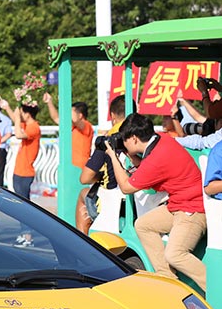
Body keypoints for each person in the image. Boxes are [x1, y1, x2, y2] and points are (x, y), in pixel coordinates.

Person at [105, 113, 206, 291]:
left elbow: (126, 187)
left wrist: (113, 156)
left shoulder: (157, 158)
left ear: (134, 138)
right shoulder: (161, 139)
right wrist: (129, 155)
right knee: (143, 225)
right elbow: (144, 167)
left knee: (175, 254)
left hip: (194, 209)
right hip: (178, 204)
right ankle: (167, 277)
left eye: (124, 139)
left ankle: (215, 289)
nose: (123, 143)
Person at [76, 95, 127, 234]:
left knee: (83, 194)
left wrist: (99, 176)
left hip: (113, 200)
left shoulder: (107, 141)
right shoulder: (144, 137)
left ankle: (83, 243)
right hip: (140, 201)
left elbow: (84, 179)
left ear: (112, 116)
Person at [0, 98, 41, 201]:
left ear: (27, 114)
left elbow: (18, 134)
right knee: (19, 200)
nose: (20, 115)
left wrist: (17, 119)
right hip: (19, 170)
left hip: (25, 172)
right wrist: (7, 107)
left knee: (24, 203)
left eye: (21, 113)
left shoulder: (34, 127)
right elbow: (15, 120)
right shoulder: (27, 125)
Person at [43, 93, 93, 171]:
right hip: (70, 167)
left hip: (81, 168)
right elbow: (56, 118)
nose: (68, 114)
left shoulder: (87, 126)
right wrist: (49, 102)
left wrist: (64, 103)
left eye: (71, 112)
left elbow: (75, 120)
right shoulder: (73, 126)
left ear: (80, 115)